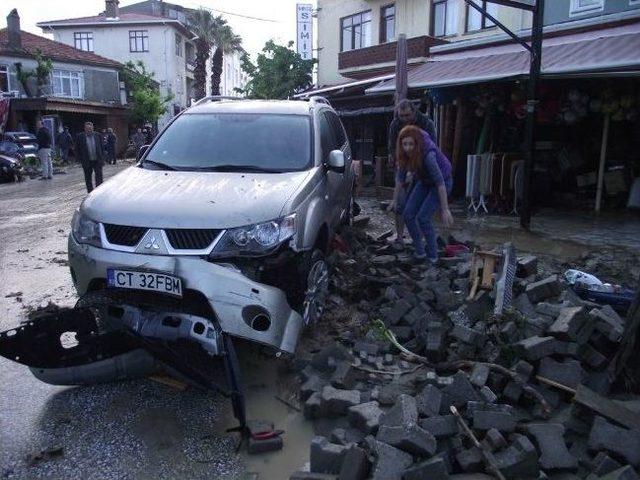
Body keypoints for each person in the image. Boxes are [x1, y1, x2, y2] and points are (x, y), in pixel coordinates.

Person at [392, 125, 453, 263]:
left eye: (411, 144)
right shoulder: (403, 154)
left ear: (417, 144)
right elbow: (400, 178)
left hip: (442, 182)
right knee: (408, 214)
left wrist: (445, 209)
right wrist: (394, 200)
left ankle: (432, 257)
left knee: (423, 218)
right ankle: (420, 252)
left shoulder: (428, 155)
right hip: (424, 181)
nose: (408, 148)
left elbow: (440, 182)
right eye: (405, 144)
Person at [387, 100, 437, 249]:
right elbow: (392, 147)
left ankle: (420, 239)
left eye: (407, 115)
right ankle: (400, 237)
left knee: (419, 205)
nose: (404, 119)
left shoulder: (426, 123)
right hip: (402, 164)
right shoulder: (395, 124)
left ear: (414, 112)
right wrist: (400, 166)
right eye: (401, 116)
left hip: (422, 166)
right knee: (400, 203)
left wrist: (415, 169)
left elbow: (432, 147)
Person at [75, 121, 104, 193]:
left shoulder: (98, 135)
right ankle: (90, 193)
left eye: (91, 129)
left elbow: (102, 147)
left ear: (93, 128)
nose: (89, 130)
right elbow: (77, 149)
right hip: (87, 161)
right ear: (84, 129)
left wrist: (103, 158)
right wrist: (79, 160)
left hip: (97, 160)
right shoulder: (80, 137)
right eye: (87, 129)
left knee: (99, 177)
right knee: (88, 179)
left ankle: (99, 192)